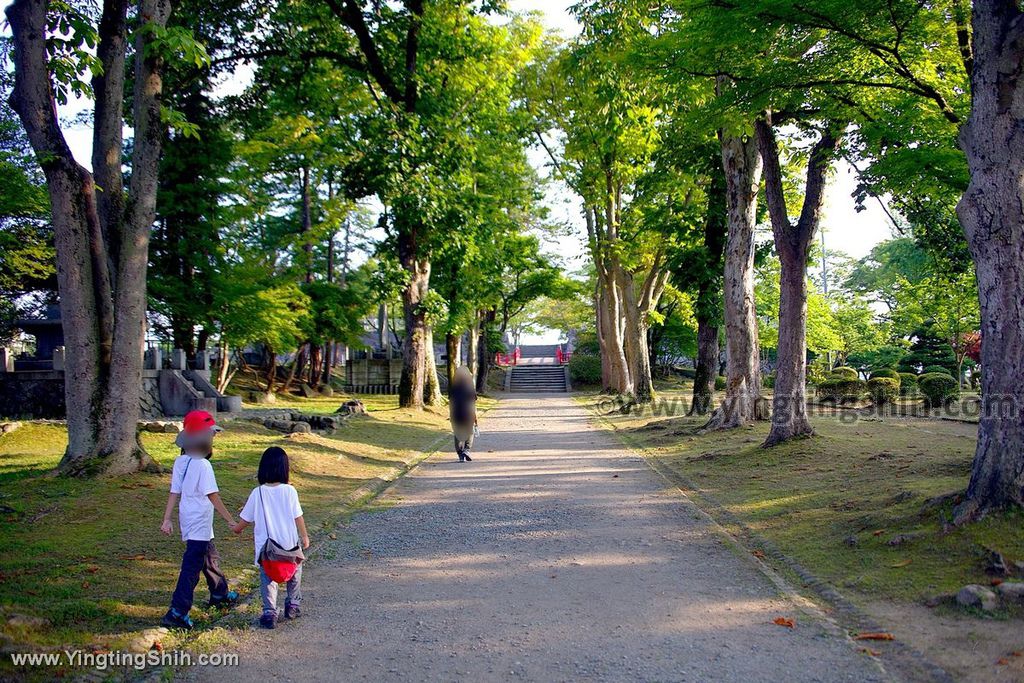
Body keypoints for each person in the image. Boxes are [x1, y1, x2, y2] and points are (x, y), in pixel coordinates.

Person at [160, 410, 239, 630]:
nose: (213, 438)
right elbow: (212, 495)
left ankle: (220, 593)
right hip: (200, 523)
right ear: (204, 438)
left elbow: (174, 492)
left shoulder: (180, 462)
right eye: (211, 434)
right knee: (191, 568)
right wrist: (231, 521)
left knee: (209, 557)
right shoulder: (203, 465)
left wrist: (167, 519)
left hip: (189, 520)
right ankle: (177, 612)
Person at [232, 447, 310, 629]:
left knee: (268, 579)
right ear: (285, 468)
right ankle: (293, 605)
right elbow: (298, 516)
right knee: (294, 574)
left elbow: (245, 520)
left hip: (267, 549)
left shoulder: (257, 493)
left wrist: (235, 528)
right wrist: (304, 536)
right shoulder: (290, 491)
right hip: (290, 545)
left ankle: (269, 612)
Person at [449, 366, 479, 462]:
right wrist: (475, 417)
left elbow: (451, 403)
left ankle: (460, 453)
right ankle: (466, 450)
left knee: (457, 434)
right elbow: (472, 404)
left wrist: (451, 415)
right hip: (468, 414)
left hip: (456, 413)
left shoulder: (453, 389)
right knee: (470, 432)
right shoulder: (470, 388)